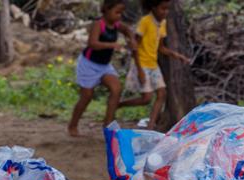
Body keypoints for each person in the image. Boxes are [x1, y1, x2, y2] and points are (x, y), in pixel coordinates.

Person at [68, 0, 136, 137]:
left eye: (121, 13)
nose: (119, 16)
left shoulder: (116, 24)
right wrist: (111, 45)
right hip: (88, 64)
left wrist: (132, 39)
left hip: (104, 66)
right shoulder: (99, 24)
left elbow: (127, 30)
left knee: (116, 89)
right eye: (117, 12)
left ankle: (108, 124)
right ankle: (73, 125)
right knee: (86, 96)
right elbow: (92, 43)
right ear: (106, 10)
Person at [124, 0, 192, 130]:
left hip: (153, 64)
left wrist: (177, 55)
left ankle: (150, 126)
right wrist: (139, 70)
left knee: (162, 94)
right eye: (163, 9)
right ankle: (119, 104)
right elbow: (135, 47)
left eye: (167, 9)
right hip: (142, 64)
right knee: (147, 98)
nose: (165, 12)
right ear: (154, 8)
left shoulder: (162, 24)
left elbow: (161, 48)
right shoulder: (145, 22)